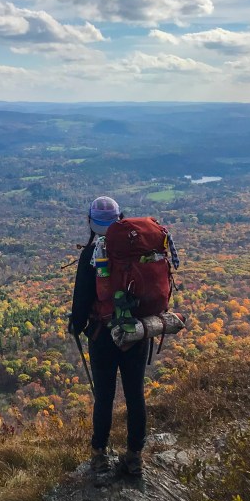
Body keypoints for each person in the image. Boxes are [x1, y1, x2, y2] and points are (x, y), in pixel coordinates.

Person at [69, 195, 149, 479]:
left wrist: (76, 325)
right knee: (135, 394)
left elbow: (81, 301)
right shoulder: (137, 250)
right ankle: (135, 456)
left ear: (90, 222)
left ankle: (100, 454)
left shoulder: (90, 254)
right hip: (137, 333)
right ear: (120, 218)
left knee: (104, 397)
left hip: (103, 334)